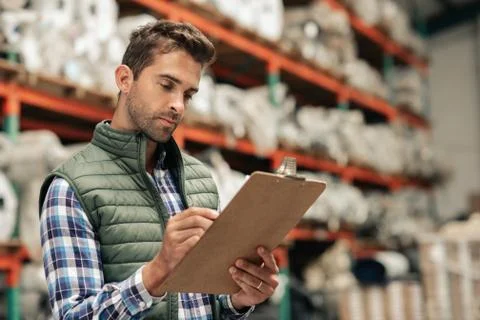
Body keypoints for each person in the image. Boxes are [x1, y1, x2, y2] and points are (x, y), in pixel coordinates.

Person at [39, 20, 279, 319]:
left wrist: (238, 300)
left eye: (188, 94)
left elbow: (206, 305)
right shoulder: (71, 188)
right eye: (166, 86)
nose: (178, 105)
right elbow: (73, 315)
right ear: (125, 79)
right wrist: (155, 274)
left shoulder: (200, 179)